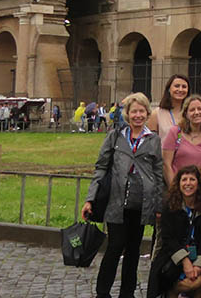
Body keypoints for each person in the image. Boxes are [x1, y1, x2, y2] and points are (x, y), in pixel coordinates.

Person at [81, 93, 164, 298]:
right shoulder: (116, 136)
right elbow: (101, 167)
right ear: (127, 114)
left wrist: (159, 205)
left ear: (147, 113)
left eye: (141, 111)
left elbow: (159, 174)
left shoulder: (153, 140)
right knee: (115, 245)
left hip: (141, 201)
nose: (137, 115)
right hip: (116, 200)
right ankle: (103, 292)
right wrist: (90, 198)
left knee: (134, 250)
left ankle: (127, 293)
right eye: (133, 111)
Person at [148, 165, 201, 298]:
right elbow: (168, 239)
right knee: (193, 283)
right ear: (178, 183)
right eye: (184, 179)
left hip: (197, 252)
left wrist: (198, 266)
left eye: (192, 179)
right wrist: (185, 261)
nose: (188, 183)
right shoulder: (169, 205)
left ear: (199, 183)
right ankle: (171, 293)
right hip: (173, 255)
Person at [163, 95, 201, 186]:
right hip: (176, 186)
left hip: (199, 187)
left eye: (200, 109)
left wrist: (194, 184)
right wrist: (174, 188)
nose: (196, 112)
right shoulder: (175, 132)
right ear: (186, 114)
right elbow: (166, 164)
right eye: (192, 110)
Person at [149, 74, 191, 144]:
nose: (180, 89)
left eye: (184, 87)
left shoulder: (191, 114)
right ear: (169, 89)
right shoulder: (156, 114)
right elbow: (151, 143)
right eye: (176, 86)